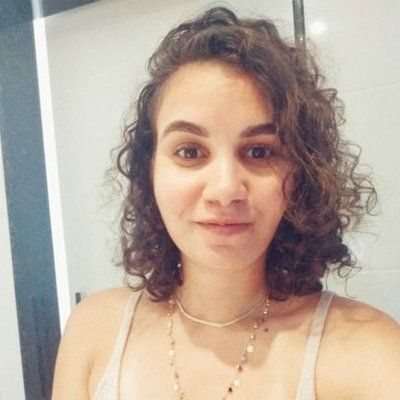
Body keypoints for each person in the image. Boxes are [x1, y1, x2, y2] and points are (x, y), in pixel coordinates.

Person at [51, 6, 400, 400]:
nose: (225, 189)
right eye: (189, 152)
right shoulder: (94, 331)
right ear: (149, 170)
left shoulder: (370, 353)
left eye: (258, 152)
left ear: (301, 173)